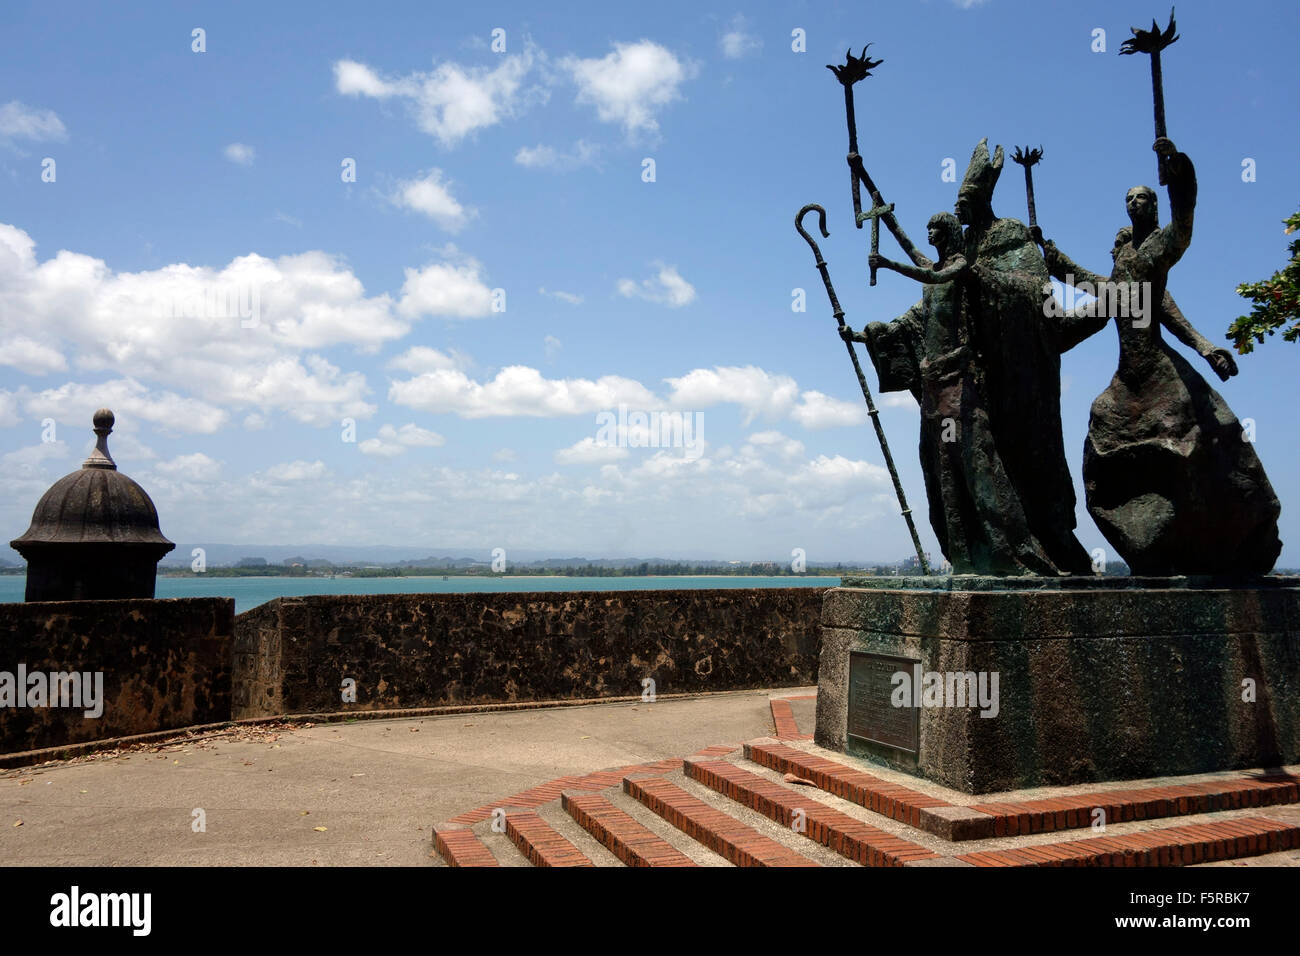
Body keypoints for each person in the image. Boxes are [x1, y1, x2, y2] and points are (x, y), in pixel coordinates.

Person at [1041, 139, 1281, 574]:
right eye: (1129, 198)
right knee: (1102, 432)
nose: (1135, 202)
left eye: (1142, 196)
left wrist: (1178, 179)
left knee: (1204, 436)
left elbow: (1182, 241)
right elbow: (1087, 285)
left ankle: (1216, 534)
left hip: (1161, 370)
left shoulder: (1155, 255)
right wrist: (1050, 254)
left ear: (1153, 206)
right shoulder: (1121, 270)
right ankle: (1149, 542)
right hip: (1126, 379)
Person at [844, 213, 1057, 574]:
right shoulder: (931, 277)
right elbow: (911, 310)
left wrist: (887, 264)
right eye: (926, 227)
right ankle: (961, 559)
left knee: (977, 468)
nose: (929, 233)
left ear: (949, 233)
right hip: (933, 389)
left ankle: (1011, 552)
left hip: (960, 385)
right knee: (943, 475)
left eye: (936, 228)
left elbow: (931, 274)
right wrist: (865, 336)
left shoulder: (957, 268)